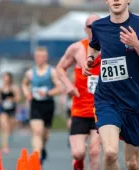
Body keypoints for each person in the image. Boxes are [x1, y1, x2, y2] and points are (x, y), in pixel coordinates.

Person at [83, 1, 139, 169]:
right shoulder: (98, 26)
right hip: (107, 100)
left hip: (134, 101)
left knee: (132, 163)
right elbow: (93, 46)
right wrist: (90, 59)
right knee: (110, 152)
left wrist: (136, 44)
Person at [56, 14, 101, 170]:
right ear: (85, 29)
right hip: (80, 110)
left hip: (101, 110)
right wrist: (68, 85)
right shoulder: (77, 48)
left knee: (95, 152)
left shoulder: (110, 48)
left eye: (97, 25)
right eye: (90, 26)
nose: (94, 29)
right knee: (78, 153)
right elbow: (60, 68)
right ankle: (78, 162)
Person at [22, 47, 62, 164]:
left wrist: (48, 93)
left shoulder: (52, 72)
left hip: (48, 104)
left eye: (43, 56)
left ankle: (42, 148)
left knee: (44, 135)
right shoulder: (30, 73)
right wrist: (27, 93)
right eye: (38, 56)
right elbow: (24, 84)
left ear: (46, 57)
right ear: (35, 57)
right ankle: (37, 156)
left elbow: (60, 88)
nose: (40, 59)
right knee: (37, 131)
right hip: (35, 104)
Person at [0, 72, 21, 153]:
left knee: (11, 126)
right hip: (3, 109)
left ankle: (10, 133)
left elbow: (19, 97)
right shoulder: (0, 88)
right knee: (4, 126)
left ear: (10, 79)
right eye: (4, 78)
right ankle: (5, 146)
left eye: (7, 78)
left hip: (12, 109)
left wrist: (12, 100)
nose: (5, 80)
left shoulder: (14, 88)